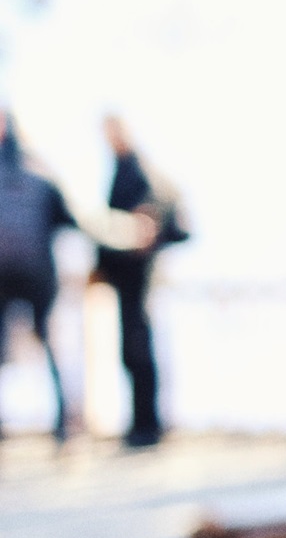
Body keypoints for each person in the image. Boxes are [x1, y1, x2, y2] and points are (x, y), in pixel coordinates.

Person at [93, 113, 188, 449]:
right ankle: (142, 423)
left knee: (139, 348)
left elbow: (155, 212)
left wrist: (146, 223)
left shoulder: (139, 170)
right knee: (133, 350)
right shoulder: (123, 168)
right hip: (128, 277)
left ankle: (148, 426)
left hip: (141, 276)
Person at [0, 112, 76, 442]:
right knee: (40, 343)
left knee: (48, 342)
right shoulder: (40, 170)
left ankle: (64, 422)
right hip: (24, 272)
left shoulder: (37, 172)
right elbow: (68, 218)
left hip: (31, 274)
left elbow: (66, 217)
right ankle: (64, 422)